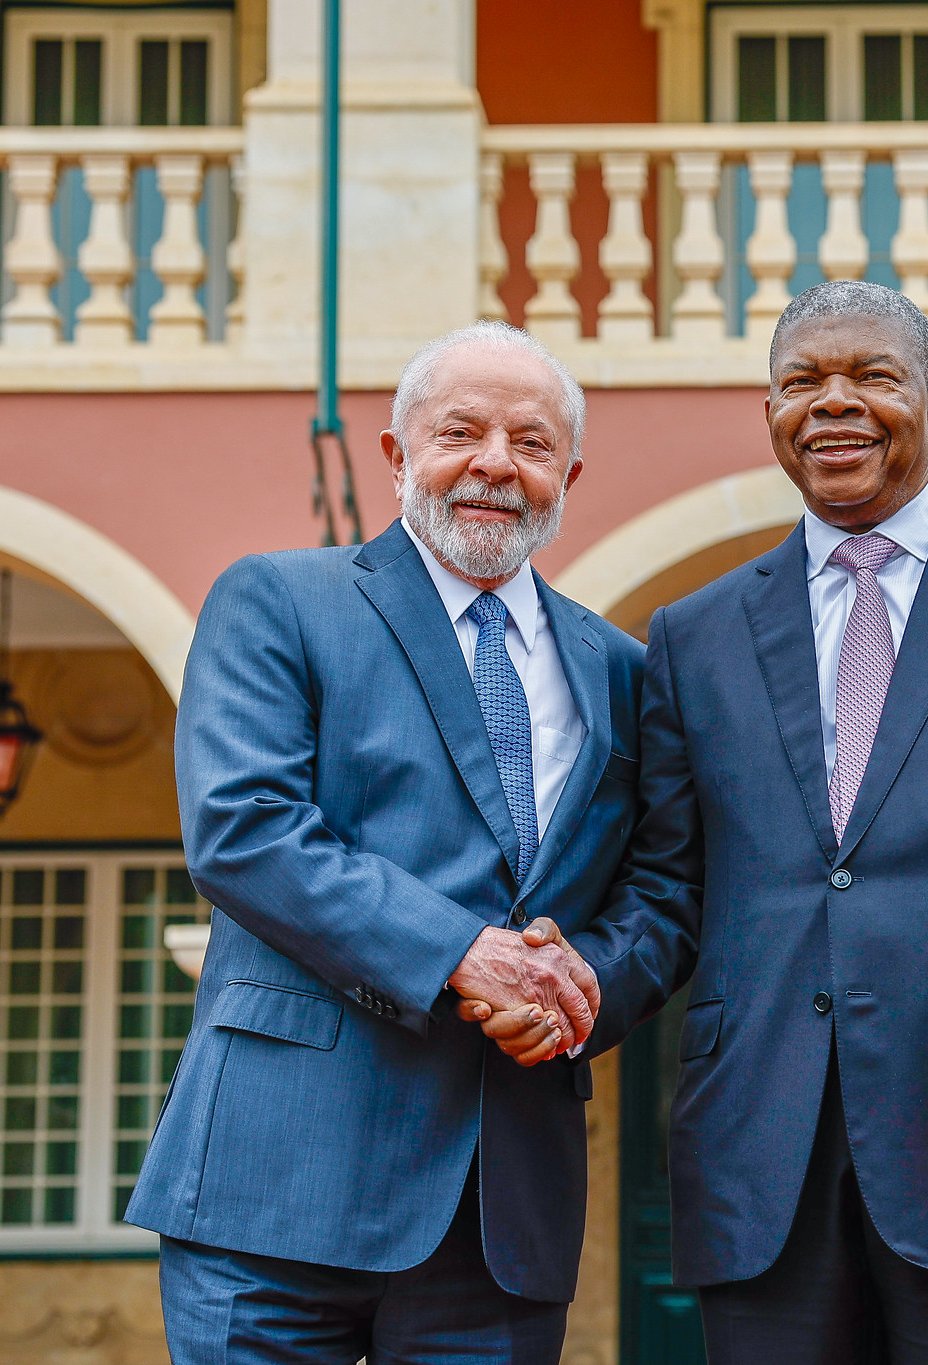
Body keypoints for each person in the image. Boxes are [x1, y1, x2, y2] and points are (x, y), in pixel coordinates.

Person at [467, 279, 928, 1364]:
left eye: (872, 376)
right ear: (770, 413)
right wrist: (576, 989)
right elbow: (669, 892)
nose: (834, 402)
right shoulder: (694, 635)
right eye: (801, 381)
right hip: (759, 1158)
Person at [125, 321, 643, 1363]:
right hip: (274, 1183)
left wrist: (585, 984)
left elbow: (662, 891)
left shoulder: (624, 668)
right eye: (460, 432)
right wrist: (459, 952)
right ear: (398, 454)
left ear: (569, 477)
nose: (495, 463)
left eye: (532, 444)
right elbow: (244, 828)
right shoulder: (279, 599)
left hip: (501, 1208)